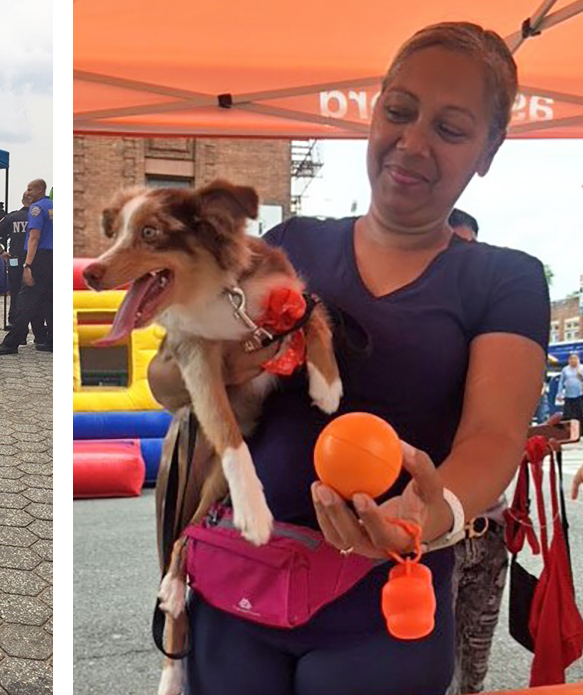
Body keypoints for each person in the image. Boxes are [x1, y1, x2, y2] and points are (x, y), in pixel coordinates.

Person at [148, 23, 548, 695]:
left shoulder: (504, 280)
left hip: (383, 612)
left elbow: (495, 436)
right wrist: (229, 365)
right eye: (399, 111)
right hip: (239, 594)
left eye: (451, 130)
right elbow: (167, 379)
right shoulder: (289, 242)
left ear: (489, 151)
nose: (412, 142)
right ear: (375, 111)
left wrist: (433, 509)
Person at [439, 211, 509, 694]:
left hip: (489, 531)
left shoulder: (497, 338)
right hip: (436, 536)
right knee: (423, 664)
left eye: (471, 250)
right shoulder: (419, 340)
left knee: (473, 670)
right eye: (454, 249)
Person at [0, 178, 53, 354]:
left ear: (40, 190)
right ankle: (51, 340)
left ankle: (11, 342)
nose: (28, 192)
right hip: (53, 259)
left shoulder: (36, 209)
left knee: (24, 301)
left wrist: (28, 265)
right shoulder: (53, 207)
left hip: (34, 259)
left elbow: (34, 237)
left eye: (30, 189)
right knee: (49, 301)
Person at [0, 192, 39, 332]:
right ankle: (39, 330)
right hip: (35, 260)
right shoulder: (39, 217)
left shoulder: (12, 217)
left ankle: (14, 324)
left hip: (14, 259)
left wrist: (1, 252)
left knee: (15, 291)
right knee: (36, 294)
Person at [556, 353, 583, 423]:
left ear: (578, 360)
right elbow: (561, 382)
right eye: (571, 359)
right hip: (568, 395)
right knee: (568, 415)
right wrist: (559, 394)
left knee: (580, 414)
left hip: (580, 395)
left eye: (575, 359)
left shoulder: (581, 368)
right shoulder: (565, 369)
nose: (573, 360)